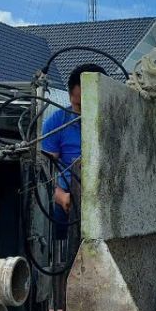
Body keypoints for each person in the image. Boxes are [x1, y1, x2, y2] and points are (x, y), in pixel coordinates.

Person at [41, 63, 106, 222]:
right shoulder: (57, 122)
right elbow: (44, 171)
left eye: (88, 104)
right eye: (78, 105)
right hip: (69, 197)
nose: (84, 111)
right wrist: (61, 196)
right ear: (70, 96)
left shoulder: (117, 122)